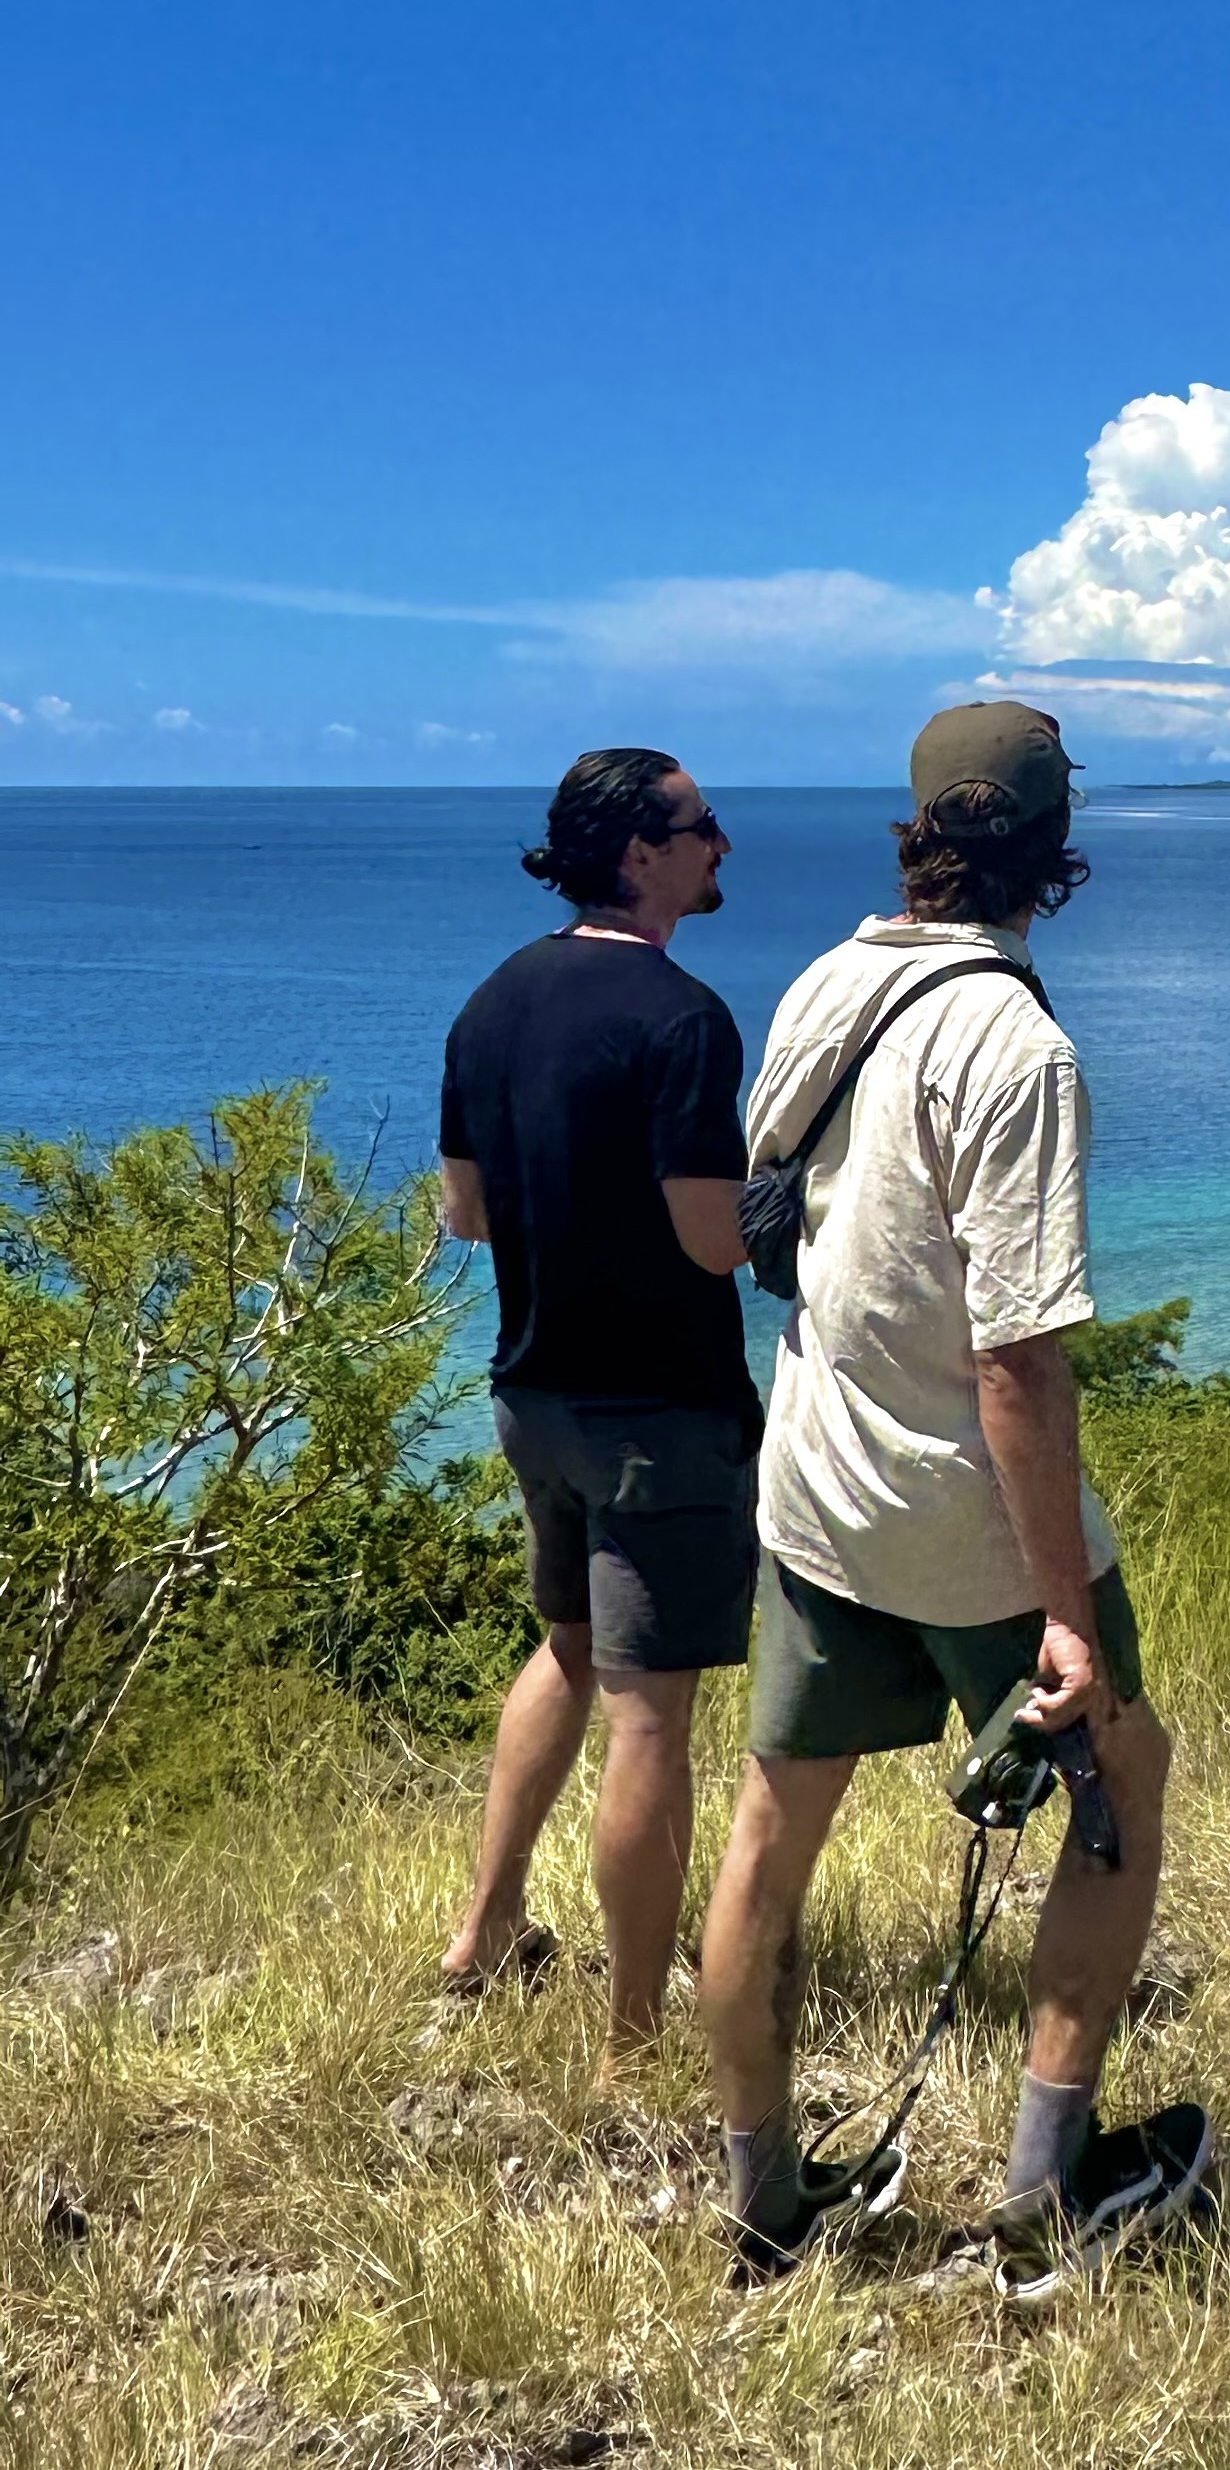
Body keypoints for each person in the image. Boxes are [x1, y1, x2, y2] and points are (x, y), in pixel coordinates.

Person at [696, 700, 1206, 2295]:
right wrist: (1066, 1612)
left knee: (772, 1833)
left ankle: (762, 2201)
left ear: (915, 832)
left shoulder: (825, 984)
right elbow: (1020, 1363)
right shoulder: (1017, 1046)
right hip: (967, 1516)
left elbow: (768, 1212)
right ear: (1058, 852)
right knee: (1121, 1789)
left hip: (817, 1484)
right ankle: (1050, 2197)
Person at [436, 749, 757, 2078]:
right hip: (657, 1412)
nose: (721, 843)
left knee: (566, 1648)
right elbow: (710, 1238)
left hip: (533, 1391)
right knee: (649, 1713)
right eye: (701, 825)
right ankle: (631, 2039)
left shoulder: (492, 1000)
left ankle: (485, 1929)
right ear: (639, 852)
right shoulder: (684, 1019)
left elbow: (463, 1211)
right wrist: (796, 1207)